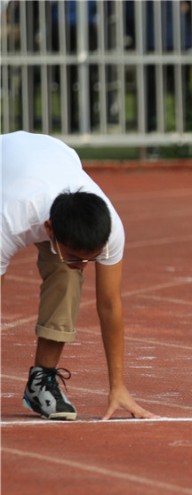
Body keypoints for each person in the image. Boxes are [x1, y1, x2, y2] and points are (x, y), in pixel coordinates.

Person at [1, 131, 157, 421]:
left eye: (92, 257)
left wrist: (118, 386)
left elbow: (110, 305)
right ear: (49, 230)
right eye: (77, 255)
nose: (85, 264)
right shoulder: (9, 217)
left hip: (53, 156)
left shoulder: (110, 229)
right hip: (6, 170)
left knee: (68, 274)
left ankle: (41, 382)